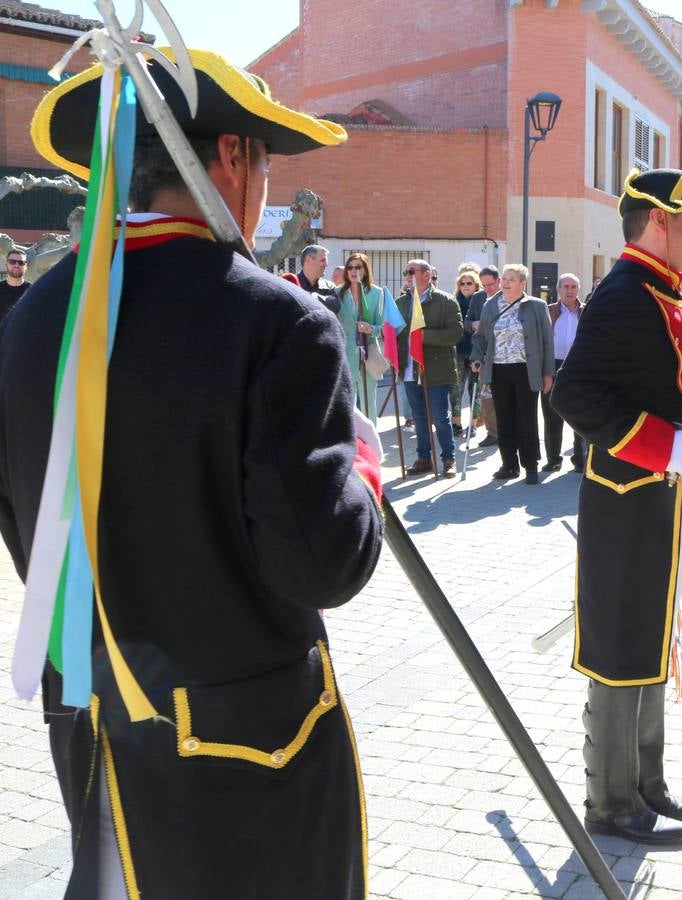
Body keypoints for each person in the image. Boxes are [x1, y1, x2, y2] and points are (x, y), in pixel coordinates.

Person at [0, 48, 381, 899]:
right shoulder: (277, 319)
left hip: (91, 719)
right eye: (265, 160)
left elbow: (31, 533)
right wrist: (361, 464)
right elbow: (321, 563)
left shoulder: (33, 316)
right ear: (234, 156)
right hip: (243, 748)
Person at [550, 166, 682, 846]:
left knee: (650, 638)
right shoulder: (625, 294)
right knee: (620, 645)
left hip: (664, 499)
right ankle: (610, 802)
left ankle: (646, 783)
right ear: (656, 219)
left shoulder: (666, 291)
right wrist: (662, 448)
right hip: (626, 499)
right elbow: (575, 396)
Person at [470, 263, 553, 484]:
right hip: (499, 370)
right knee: (504, 419)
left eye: (511, 279)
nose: (505, 283)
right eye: (504, 279)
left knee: (526, 418)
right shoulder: (490, 305)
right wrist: (477, 358)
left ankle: (531, 466)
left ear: (523, 283)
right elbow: (480, 338)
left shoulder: (536, 306)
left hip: (527, 370)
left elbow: (547, 342)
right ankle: (509, 465)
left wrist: (548, 373)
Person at [397, 259, 462, 477]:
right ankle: (423, 458)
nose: (406, 275)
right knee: (419, 416)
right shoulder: (401, 302)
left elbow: (456, 333)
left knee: (440, 416)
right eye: (406, 271)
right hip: (409, 368)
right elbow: (396, 332)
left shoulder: (446, 301)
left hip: (436, 369)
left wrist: (425, 336)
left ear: (426, 274)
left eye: (411, 271)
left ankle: (449, 459)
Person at [336, 252, 392, 420]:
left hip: (368, 354)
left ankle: (371, 445)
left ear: (366, 270)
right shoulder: (337, 293)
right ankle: (349, 443)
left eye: (358, 267)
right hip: (345, 355)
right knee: (346, 406)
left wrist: (370, 328)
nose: (354, 271)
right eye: (350, 267)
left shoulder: (377, 293)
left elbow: (384, 327)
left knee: (369, 406)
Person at [542, 272, 586, 472]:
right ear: (558, 289)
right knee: (552, 415)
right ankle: (553, 459)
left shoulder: (586, 312)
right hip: (552, 366)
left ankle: (580, 458)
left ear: (578, 290)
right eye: (565, 287)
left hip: (578, 367)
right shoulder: (548, 311)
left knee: (580, 414)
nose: (569, 291)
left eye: (573, 287)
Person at [469, 266, 501, 448]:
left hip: (506, 356)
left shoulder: (508, 298)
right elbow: (466, 321)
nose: (488, 289)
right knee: (487, 397)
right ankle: (492, 433)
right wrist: (473, 324)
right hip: (484, 355)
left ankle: (508, 431)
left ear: (499, 281)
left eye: (491, 284)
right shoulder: (478, 298)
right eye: (484, 285)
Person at [452, 265, 481, 438]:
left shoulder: (482, 301)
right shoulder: (453, 301)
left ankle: (473, 425)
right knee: (456, 389)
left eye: (469, 283)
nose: (465, 285)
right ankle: (456, 424)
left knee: (475, 390)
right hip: (457, 351)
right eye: (462, 283)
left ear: (476, 285)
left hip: (476, 352)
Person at [298, 243, 339, 313]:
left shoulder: (329, 286)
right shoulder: (291, 283)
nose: (326, 265)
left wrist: (308, 296)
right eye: (322, 260)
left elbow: (335, 306)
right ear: (308, 260)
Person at [0, 247, 29, 321]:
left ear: (26, 266)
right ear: (6, 264)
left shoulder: (33, 291)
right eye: (12, 262)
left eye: (21, 262)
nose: (16, 265)